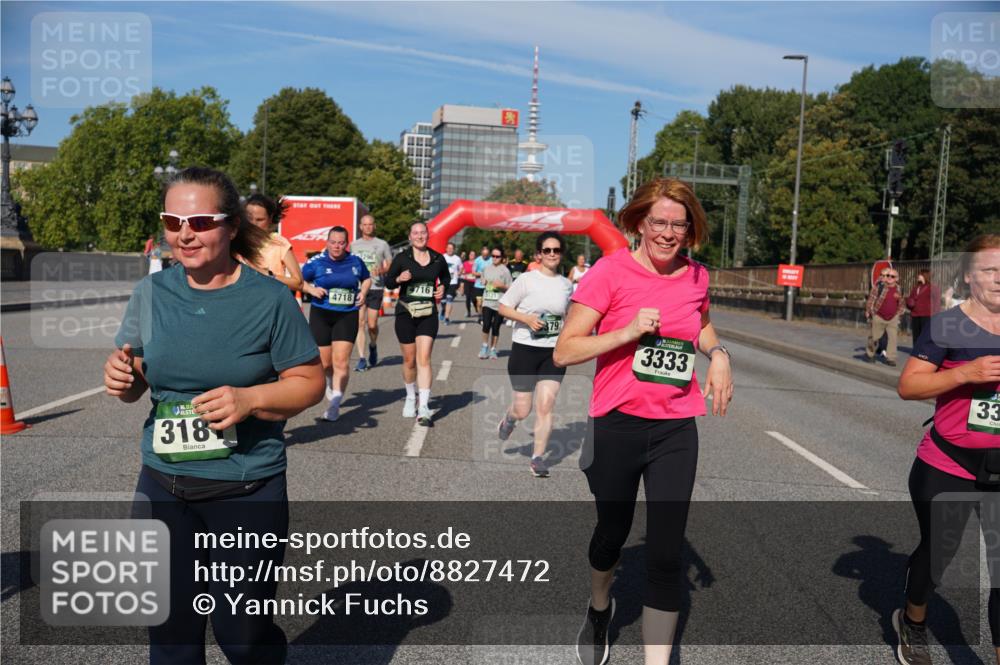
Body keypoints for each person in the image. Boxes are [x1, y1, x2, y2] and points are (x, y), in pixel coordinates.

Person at [104, 166, 324, 664]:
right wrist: (123, 380)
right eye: (173, 220)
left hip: (245, 489)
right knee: (171, 632)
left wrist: (250, 400)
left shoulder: (268, 299)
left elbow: (310, 383)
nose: (185, 233)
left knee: (241, 633)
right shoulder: (151, 294)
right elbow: (137, 378)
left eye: (201, 221)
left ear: (231, 226)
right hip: (163, 485)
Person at [553, 178, 732, 665]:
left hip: (675, 427)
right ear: (639, 222)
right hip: (617, 423)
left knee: (667, 552)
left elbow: (699, 321)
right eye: (659, 222)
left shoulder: (697, 276)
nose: (669, 233)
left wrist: (717, 353)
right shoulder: (609, 274)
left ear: (689, 230)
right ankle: (598, 608)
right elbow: (565, 349)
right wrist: (628, 332)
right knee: (612, 533)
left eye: (679, 224)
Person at [893, 234, 1000, 665]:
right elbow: (909, 386)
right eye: (991, 271)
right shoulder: (947, 326)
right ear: (970, 276)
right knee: (939, 555)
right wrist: (966, 373)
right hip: (947, 465)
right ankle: (913, 623)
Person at [497, 231, 573, 477]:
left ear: (561, 254)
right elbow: (503, 307)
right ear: (539, 254)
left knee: (545, 406)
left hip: (553, 353)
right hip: (525, 349)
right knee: (523, 409)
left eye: (556, 250)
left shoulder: (566, 285)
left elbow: (569, 316)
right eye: (547, 250)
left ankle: (538, 458)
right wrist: (527, 319)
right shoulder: (527, 280)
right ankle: (510, 418)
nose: (552, 254)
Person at [383, 222, 451, 426]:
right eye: (416, 233)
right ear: (410, 237)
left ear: (428, 235)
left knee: (424, 358)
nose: (420, 236)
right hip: (405, 313)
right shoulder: (402, 258)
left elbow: (446, 278)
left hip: (428, 314)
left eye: (423, 233)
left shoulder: (438, 259)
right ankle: (411, 396)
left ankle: (423, 406)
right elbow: (388, 282)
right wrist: (399, 278)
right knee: (409, 360)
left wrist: (443, 288)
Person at [301, 227, 371, 421]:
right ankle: (331, 382)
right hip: (321, 314)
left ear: (346, 244)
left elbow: (366, 279)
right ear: (327, 242)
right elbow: (299, 280)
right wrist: (311, 290)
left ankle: (335, 405)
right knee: (324, 364)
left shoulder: (355, 261)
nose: (337, 246)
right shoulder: (316, 263)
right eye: (333, 242)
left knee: (341, 361)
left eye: (341, 243)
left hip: (347, 315)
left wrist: (363, 293)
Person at [350, 214, 393, 371]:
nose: (368, 227)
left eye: (371, 224)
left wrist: (382, 269)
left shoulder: (382, 244)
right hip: (359, 288)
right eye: (365, 224)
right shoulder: (354, 245)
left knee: (372, 324)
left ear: (374, 226)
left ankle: (373, 345)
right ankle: (361, 358)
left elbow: (390, 264)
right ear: (360, 227)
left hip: (376, 287)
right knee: (360, 323)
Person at [244, 193, 304, 292]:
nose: (253, 224)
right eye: (249, 219)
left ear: (270, 218)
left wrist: (267, 274)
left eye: (260, 220)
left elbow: (298, 283)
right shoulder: (233, 241)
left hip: (269, 304)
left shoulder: (279, 243)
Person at [478, 246, 513, 360]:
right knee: (486, 324)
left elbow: (511, 288)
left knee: (496, 327)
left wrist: (502, 286)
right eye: (493, 256)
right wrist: (483, 281)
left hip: (499, 304)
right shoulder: (486, 268)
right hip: (487, 301)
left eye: (497, 256)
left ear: (502, 258)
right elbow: (483, 279)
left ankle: (493, 349)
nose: (495, 258)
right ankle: (484, 347)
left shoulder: (505, 271)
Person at [865, 267, 904, 366]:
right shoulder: (879, 287)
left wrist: (898, 315)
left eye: (892, 276)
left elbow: (901, 303)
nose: (889, 277)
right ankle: (870, 354)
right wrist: (870, 311)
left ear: (897, 278)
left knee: (892, 338)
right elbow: (871, 299)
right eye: (887, 275)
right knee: (874, 337)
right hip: (879, 315)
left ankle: (890, 358)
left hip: (893, 317)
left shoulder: (899, 289)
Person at [906, 268, 940, 343]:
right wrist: (909, 301)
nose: (918, 276)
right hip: (915, 315)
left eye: (920, 275)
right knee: (916, 335)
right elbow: (911, 299)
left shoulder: (933, 288)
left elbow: (937, 303)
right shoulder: (915, 288)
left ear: (925, 276)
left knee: (925, 335)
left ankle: (925, 352)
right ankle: (916, 351)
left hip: (927, 315)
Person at [442, 242, 464, 325]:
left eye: (452, 248)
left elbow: (461, 267)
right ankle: (443, 310)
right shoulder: (442, 257)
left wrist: (459, 273)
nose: (450, 250)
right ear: (446, 249)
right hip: (443, 282)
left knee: (449, 298)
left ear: (454, 250)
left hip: (453, 281)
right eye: (449, 248)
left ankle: (447, 318)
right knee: (443, 301)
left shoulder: (457, 259)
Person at [473, 245, 491, 323]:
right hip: (478, 285)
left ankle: (484, 317)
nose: (485, 256)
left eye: (486, 255)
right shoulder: (477, 260)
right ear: (481, 253)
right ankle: (480, 315)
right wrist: (482, 274)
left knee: (486, 303)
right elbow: (473, 272)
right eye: (484, 255)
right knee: (479, 303)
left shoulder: (491, 260)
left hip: (488, 285)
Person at [462, 250, 478, 318]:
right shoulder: (465, 263)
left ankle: (476, 308)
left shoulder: (477, 263)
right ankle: (468, 312)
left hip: (475, 282)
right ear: (469, 255)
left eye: (473, 255)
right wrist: (463, 272)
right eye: (471, 254)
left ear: (475, 256)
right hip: (467, 281)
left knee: (474, 298)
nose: (472, 256)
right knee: (467, 297)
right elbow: (461, 272)